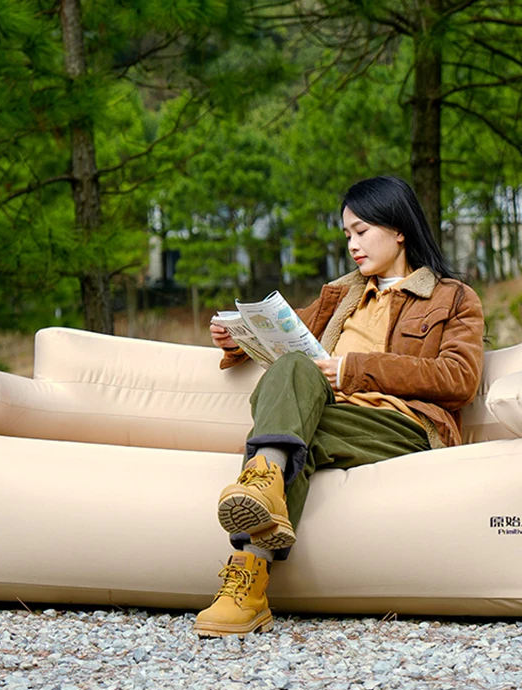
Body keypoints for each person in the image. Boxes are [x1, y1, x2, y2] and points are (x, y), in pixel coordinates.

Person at [193, 175, 485, 637]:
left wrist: (354, 370)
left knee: (292, 434)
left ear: (399, 229)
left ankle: (245, 576)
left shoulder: (452, 297)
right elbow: (283, 339)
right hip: (327, 417)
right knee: (295, 426)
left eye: (362, 231)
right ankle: (262, 505)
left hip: (399, 424)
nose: (352, 244)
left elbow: (459, 378)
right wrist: (236, 340)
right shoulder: (341, 294)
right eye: (347, 234)